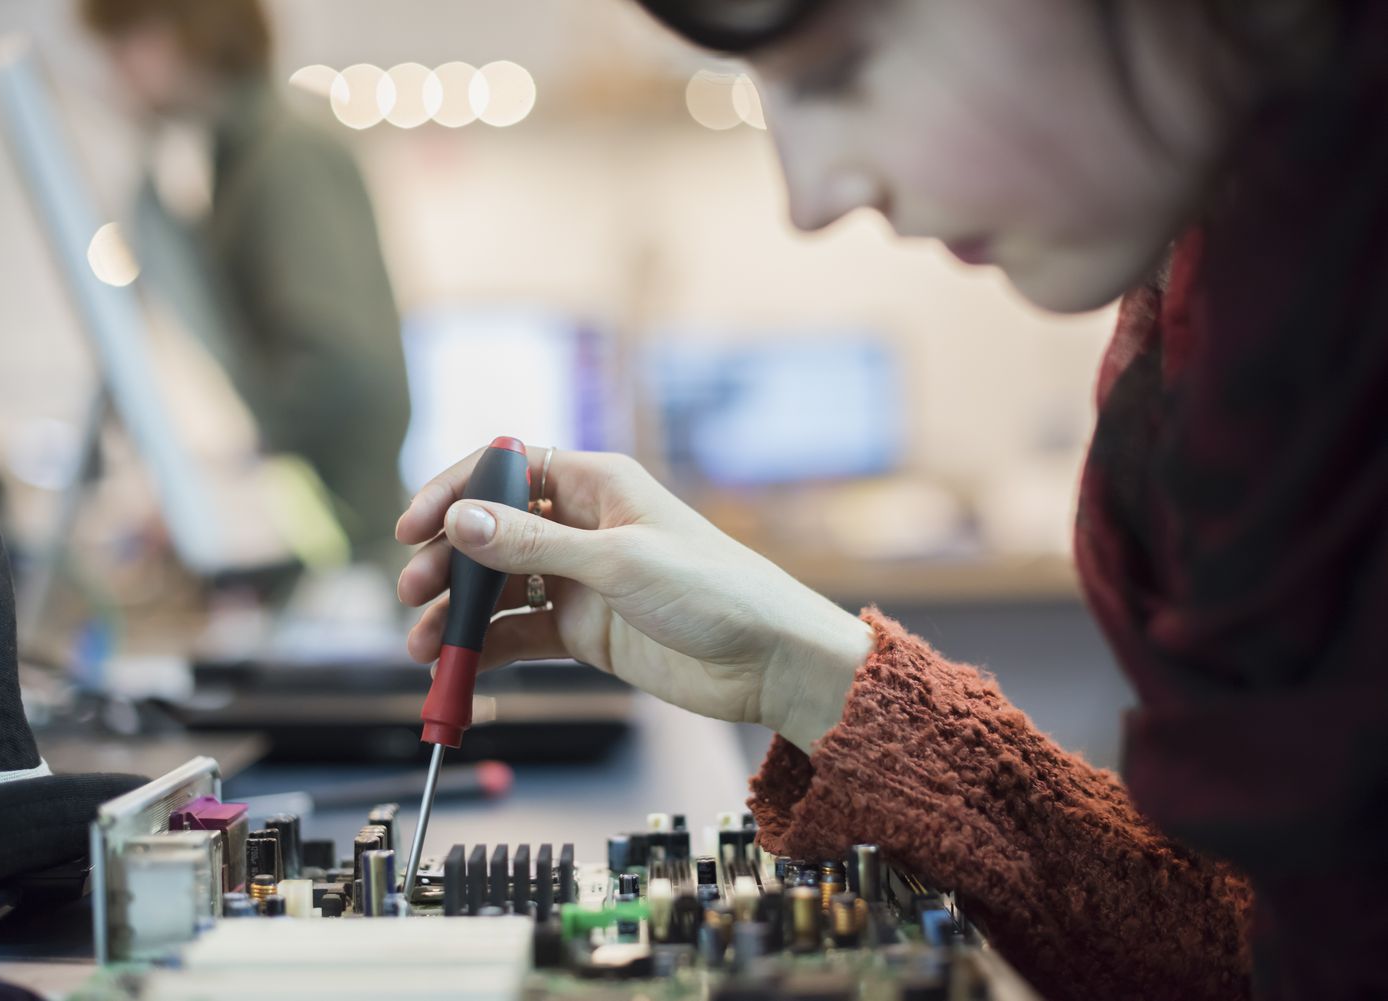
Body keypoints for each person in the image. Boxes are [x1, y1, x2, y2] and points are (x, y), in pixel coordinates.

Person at [396, 1, 1388, 999]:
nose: (809, 197)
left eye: (839, 71)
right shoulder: (1238, 358)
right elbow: (1254, 949)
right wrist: (803, 668)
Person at [80, 0, 412, 566]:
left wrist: (231, 471)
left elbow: (341, 365)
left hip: (342, 546)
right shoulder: (239, 163)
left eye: (122, 42)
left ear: (185, 32)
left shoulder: (284, 159)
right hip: (323, 540)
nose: (112, 70)